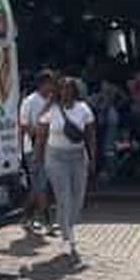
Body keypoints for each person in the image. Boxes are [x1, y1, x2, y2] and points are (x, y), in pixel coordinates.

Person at [36, 76, 96, 262]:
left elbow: (90, 135)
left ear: (75, 91)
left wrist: (93, 157)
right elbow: (41, 135)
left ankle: (67, 227)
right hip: (56, 158)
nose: (66, 91)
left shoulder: (83, 109)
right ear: (58, 91)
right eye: (62, 88)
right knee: (64, 198)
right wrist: (38, 159)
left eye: (69, 88)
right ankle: (67, 238)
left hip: (78, 157)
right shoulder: (51, 109)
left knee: (77, 199)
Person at [19, 69, 55, 234]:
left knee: (38, 185)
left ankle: (26, 218)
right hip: (32, 149)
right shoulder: (29, 101)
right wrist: (37, 135)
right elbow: (24, 124)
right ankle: (47, 221)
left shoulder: (51, 101)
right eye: (50, 83)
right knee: (41, 185)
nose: (52, 86)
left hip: (49, 147)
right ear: (42, 84)